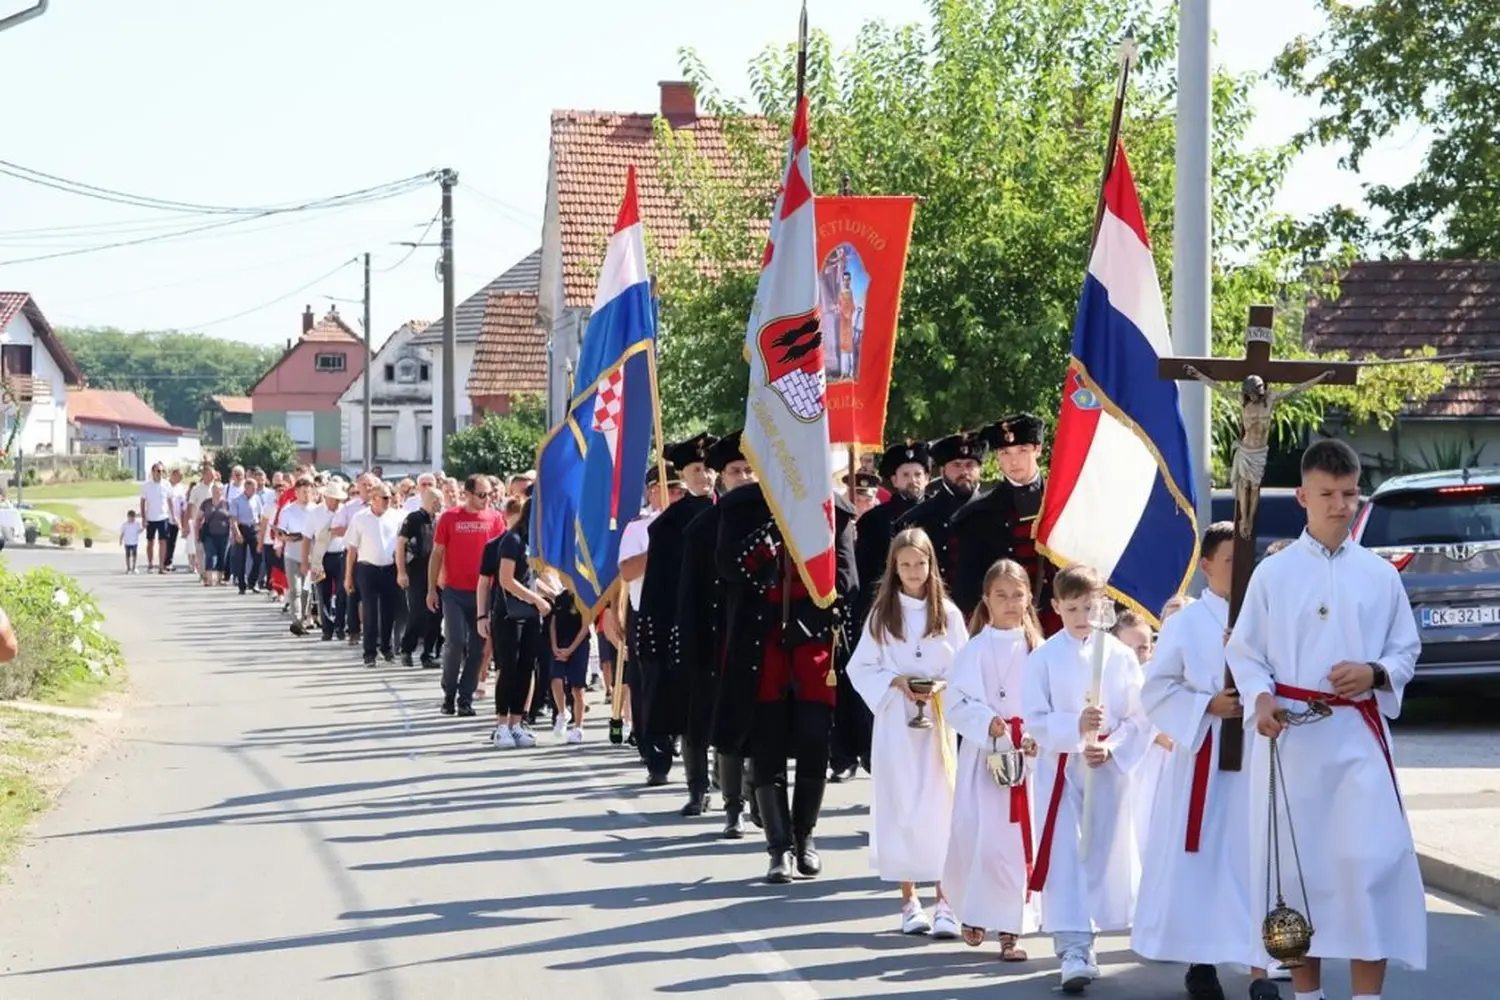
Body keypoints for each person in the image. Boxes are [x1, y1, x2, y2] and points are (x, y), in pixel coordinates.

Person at [1226, 439, 1424, 1000]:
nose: (1340, 504)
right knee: (1299, 875)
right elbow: (1246, 652)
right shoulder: (1275, 573)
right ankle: (1307, 997)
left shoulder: (1380, 575)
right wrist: (1261, 699)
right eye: (1328, 494)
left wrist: (1375, 672)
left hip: (1359, 736)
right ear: (1302, 496)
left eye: (1349, 493)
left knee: (1372, 869)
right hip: (1294, 742)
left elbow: (1405, 650)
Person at [1134, 521, 1274, 1000]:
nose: (1239, 571)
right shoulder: (1187, 623)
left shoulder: (1266, 614)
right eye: (1230, 561)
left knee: (1256, 857)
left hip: (1256, 754)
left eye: (1245, 561)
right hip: (1205, 759)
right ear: (1208, 565)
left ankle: (1260, 968)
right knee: (1205, 860)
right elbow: (1157, 688)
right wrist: (1206, 706)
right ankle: (1202, 961)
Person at [714, 479, 857, 884]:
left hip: (813, 648)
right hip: (762, 648)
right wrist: (770, 537)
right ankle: (777, 849)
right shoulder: (740, 507)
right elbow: (728, 567)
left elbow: (847, 581)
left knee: (815, 743)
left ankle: (804, 837)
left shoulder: (836, 508)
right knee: (767, 747)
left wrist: (809, 622)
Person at [1023, 563, 1150, 994]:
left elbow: (1139, 717)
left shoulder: (1119, 656)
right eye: (1072, 607)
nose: (1081, 616)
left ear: (1104, 607)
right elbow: (1035, 719)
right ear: (1056, 607)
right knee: (1064, 856)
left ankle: (1091, 932)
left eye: (1089, 606)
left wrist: (1110, 746)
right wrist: (1075, 726)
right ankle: (1072, 946)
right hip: (1061, 772)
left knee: (1099, 853)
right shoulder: (1043, 657)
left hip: (1104, 769)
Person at [847, 528, 968, 937]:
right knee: (902, 805)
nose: (914, 571)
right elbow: (860, 667)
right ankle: (908, 900)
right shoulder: (883, 616)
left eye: (920, 563)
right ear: (894, 568)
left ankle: (946, 901)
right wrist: (897, 682)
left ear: (931, 565)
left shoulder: (948, 614)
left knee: (941, 806)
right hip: (897, 721)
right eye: (906, 564)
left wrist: (940, 686)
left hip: (937, 719)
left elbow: (964, 667)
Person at [943, 558, 1044, 960]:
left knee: (1016, 846)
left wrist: (1037, 735)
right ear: (986, 600)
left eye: (1017, 595)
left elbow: (1050, 702)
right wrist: (988, 723)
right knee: (980, 840)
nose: (1010, 602)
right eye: (1000, 595)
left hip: (1026, 761)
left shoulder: (1039, 650)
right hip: (984, 764)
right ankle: (973, 909)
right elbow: (956, 703)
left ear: (1028, 598)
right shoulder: (975, 650)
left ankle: (1010, 931)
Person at [834, 441, 932, 782]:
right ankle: (869, 749)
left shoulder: (935, 514)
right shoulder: (876, 520)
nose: (913, 481)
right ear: (894, 478)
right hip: (888, 611)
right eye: (906, 475)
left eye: (918, 474)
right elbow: (863, 571)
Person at [676, 430, 758, 838]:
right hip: (718, 638)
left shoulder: (774, 517)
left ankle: (760, 797)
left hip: (762, 636)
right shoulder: (703, 527)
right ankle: (733, 807)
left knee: (762, 724)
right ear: (721, 477)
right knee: (727, 727)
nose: (743, 476)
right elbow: (688, 595)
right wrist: (690, 649)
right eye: (735, 471)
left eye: (749, 469)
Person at [640, 435, 718, 815]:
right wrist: (657, 633)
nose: (704, 476)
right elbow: (656, 587)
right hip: (689, 626)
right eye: (696, 470)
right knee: (693, 713)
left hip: (732, 624)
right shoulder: (669, 525)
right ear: (683, 477)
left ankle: (732, 782)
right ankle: (697, 786)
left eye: (708, 469)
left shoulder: (736, 509)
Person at [951, 414, 1058, 630]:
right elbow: (967, 589)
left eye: (1022, 450)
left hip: (1062, 622)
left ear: (1038, 449)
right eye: (1005, 453)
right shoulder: (976, 515)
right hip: (1005, 626)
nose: (1014, 461)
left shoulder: (1063, 501)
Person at [618, 465, 678, 782]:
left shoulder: (697, 520)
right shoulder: (639, 528)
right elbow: (627, 571)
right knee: (650, 687)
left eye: (681, 490)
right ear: (653, 490)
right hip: (650, 614)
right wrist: (660, 548)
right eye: (671, 488)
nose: (676, 495)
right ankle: (656, 754)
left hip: (686, 613)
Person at [430, 475, 505, 712]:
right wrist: (431, 588)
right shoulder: (449, 518)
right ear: (468, 494)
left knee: (478, 648)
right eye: (482, 495)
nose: (487, 499)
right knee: (455, 642)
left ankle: (465, 698)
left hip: (483, 594)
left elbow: (503, 555)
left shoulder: (495, 518)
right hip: (454, 592)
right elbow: (437, 554)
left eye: (490, 494)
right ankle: (448, 693)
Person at [480, 497, 550, 745]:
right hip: (509, 614)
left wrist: (551, 594)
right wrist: (537, 600)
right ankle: (501, 725)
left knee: (526, 667)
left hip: (529, 614)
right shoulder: (513, 539)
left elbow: (531, 577)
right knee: (508, 667)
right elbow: (506, 579)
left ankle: (517, 722)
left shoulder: (535, 543)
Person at [895, 430, 986, 597]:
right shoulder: (916, 519)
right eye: (957, 465)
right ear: (943, 470)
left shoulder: (993, 511)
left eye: (970, 465)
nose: (964, 472)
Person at [1113, 608, 1172, 855]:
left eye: (1143, 648)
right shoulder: (1109, 680)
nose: (1136, 657)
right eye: (1128, 649)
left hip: (1158, 766)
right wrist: (1152, 734)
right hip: (1122, 764)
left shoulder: (1161, 676)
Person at [343, 482, 405, 666]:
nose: (389, 501)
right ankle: (369, 652)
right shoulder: (359, 518)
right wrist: (348, 576)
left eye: (390, 497)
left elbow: (402, 545)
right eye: (385, 497)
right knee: (370, 611)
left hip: (389, 568)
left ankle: (386, 648)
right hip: (367, 568)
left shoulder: (397, 517)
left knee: (388, 611)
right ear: (374, 499)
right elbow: (352, 550)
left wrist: (401, 571)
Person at [397, 487, 444, 667]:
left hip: (435, 572)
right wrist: (401, 572)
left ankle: (428, 654)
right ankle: (407, 649)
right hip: (417, 571)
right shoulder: (413, 519)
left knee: (436, 613)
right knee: (417, 612)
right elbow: (401, 544)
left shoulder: (439, 520)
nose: (440, 504)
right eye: (438, 501)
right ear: (432, 501)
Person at [307, 481, 348, 641]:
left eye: (338, 499)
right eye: (333, 498)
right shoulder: (316, 513)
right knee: (323, 593)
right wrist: (308, 560)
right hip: (322, 556)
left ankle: (340, 626)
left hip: (341, 555)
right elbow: (308, 536)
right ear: (325, 497)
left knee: (341, 593)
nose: (336, 502)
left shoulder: (345, 511)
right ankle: (327, 628)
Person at [548, 590, 589, 744]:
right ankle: (562, 712)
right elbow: (552, 625)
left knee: (577, 688)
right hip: (560, 644)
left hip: (579, 645)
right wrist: (554, 646)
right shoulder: (560, 598)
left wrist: (571, 650)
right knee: (556, 680)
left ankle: (578, 728)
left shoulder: (584, 596)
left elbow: (585, 626)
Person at [228, 472, 265, 595]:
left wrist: (260, 531)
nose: (254, 491)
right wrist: (237, 533)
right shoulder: (237, 500)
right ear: (246, 488)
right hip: (242, 528)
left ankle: (252, 581)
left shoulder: (257, 499)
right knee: (240, 559)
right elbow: (233, 519)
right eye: (252, 489)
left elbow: (260, 516)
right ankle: (242, 585)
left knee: (258, 558)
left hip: (254, 529)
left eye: (255, 489)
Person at [139, 463, 174, 574]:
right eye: (158, 471)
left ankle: (161, 566)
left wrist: (173, 515)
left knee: (163, 542)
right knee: (150, 542)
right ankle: (150, 564)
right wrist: (144, 518)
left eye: (162, 471)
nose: (160, 473)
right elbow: (143, 502)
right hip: (151, 517)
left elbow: (169, 500)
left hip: (163, 517)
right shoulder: (146, 485)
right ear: (153, 471)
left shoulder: (167, 484)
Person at [198, 483, 233, 586]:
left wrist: (233, 532)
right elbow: (198, 518)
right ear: (212, 492)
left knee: (223, 556)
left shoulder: (227, 504)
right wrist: (197, 532)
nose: (217, 493)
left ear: (222, 492)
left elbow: (232, 519)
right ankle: (209, 579)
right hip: (209, 534)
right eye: (215, 491)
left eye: (219, 491)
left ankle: (219, 579)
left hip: (224, 534)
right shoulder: (206, 503)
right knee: (210, 555)